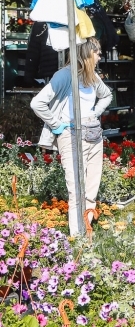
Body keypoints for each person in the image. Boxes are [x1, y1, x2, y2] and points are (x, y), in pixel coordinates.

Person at [30, 37, 113, 237]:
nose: (99, 56)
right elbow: (37, 103)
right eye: (97, 52)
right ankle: (77, 237)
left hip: (93, 133)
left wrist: (94, 113)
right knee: (76, 188)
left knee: (91, 186)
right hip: (71, 135)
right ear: (86, 53)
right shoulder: (64, 75)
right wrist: (57, 125)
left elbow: (107, 95)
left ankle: (86, 230)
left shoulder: (92, 75)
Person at [23, 21, 60, 85]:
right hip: (68, 72)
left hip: (48, 74)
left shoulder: (41, 24)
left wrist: (28, 79)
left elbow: (33, 54)